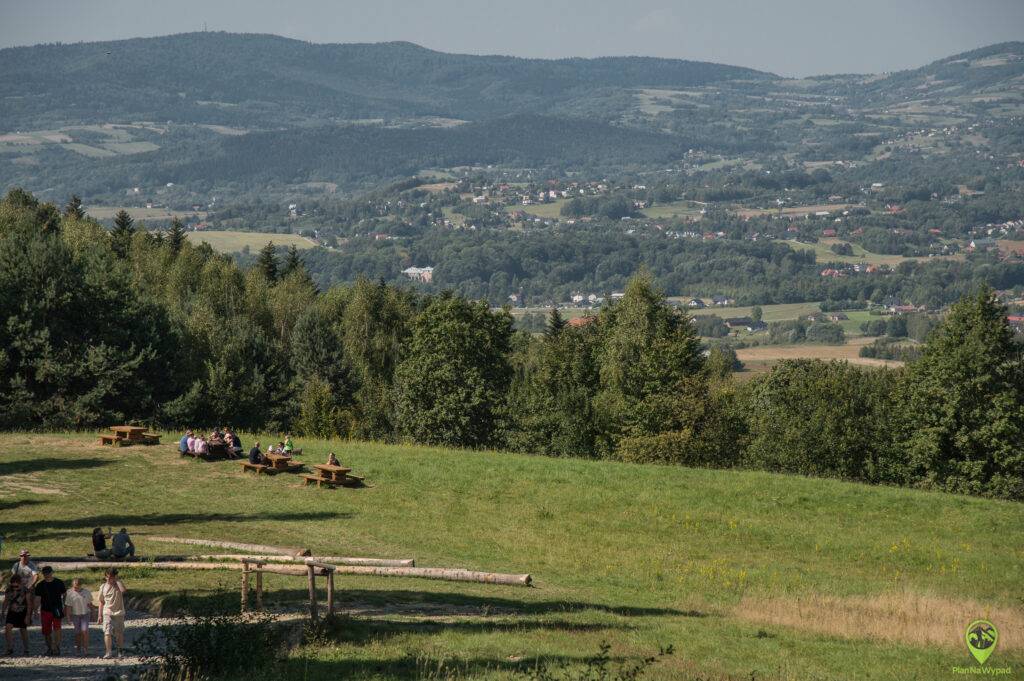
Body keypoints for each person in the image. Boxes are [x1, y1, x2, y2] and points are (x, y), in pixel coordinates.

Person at [34, 566, 67, 656]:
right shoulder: (40, 585)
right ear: (43, 574)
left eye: (48, 572)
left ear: (52, 572)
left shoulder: (59, 582)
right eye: (45, 573)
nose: (47, 574)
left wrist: (65, 606)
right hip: (45, 610)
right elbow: (37, 599)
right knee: (46, 631)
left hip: (57, 609)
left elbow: (65, 595)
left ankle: (56, 647)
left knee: (57, 629)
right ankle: (50, 648)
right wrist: (35, 610)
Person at [97, 568, 126, 659]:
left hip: (119, 612)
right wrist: (99, 615)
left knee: (119, 633)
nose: (109, 579)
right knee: (107, 632)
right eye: (108, 577)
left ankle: (120, 651)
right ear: (105, 577)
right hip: (107, 612)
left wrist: (117, 580)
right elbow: (101, 602)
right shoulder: (102, 587)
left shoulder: (118, 584)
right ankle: (108, 652)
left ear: (115, 577)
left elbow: (123, 590)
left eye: (112, 578)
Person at [2, 573, 30, 656]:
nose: (14, 588)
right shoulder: (8, 589)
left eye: (16, 587)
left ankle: (26, 648)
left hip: (22, 612)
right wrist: (3, 611)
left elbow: (29, 603)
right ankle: (10, 648)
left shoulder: (25, 590)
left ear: (20, 583)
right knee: (7, 627)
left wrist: (28, 615)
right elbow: (6, 600)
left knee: (23, 630)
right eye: (13, 586)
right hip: (12, 612)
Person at [65, 577, 94, 656]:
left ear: (80, 585)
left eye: (77, 586)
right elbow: (68, 606)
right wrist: (68, 618)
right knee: (77, 633)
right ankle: (78, 648)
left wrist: (94, 614)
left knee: (84, 631)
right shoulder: (69, 593)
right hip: (75, 615)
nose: (75, 588)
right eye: (74, 586)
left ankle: (86, 649)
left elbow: (90, 604)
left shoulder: (86, 592)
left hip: (85, 614)